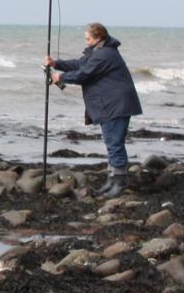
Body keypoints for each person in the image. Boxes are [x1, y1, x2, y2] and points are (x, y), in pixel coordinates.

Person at [48, 22, 142, 199]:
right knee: (112, 143)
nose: (87, 42)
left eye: (89, 38)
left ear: (99, 37)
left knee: (115, 144)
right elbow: (79, 64)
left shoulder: (105, 54)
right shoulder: (97, 51)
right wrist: (57, 63)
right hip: (110, 104)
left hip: (116, 104)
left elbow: (84, 74)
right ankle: (112, 180)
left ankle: (119, 183)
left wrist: (61, 77)